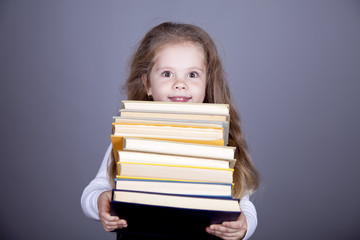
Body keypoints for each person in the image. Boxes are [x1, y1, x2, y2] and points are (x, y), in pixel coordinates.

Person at [81, 22, 260, 240]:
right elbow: (93, 191)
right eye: (167, 74)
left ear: (207, 82)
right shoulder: (129, 139)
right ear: (147, 83)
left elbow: (245, 205)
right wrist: (101, 200)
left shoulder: (222, 142)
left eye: (192, 75)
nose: (180, 84)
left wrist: (244, 226)